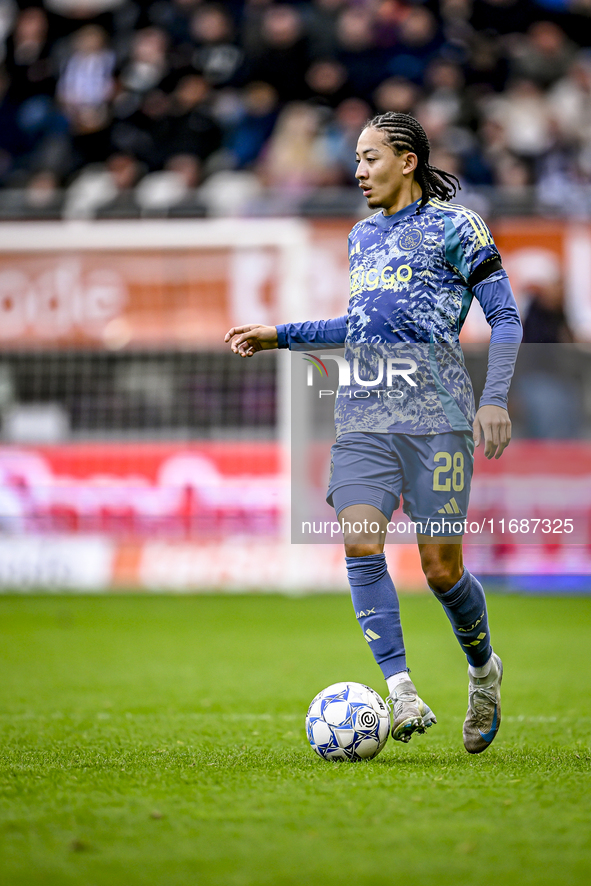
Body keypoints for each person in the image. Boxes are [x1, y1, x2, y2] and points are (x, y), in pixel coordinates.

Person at [224, 112, 522, 754]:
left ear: (408, 160)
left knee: (441, 571)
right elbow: (360, 327)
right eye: (357, 159)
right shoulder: (362, 236)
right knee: (361, 539)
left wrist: (494, 401)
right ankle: (402, 690)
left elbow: (506, 317)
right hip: (365, 415)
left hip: (438, 418)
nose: (358, 171)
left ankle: (483, 671)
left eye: (371, 158)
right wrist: (279, 335)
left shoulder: (456, 227)